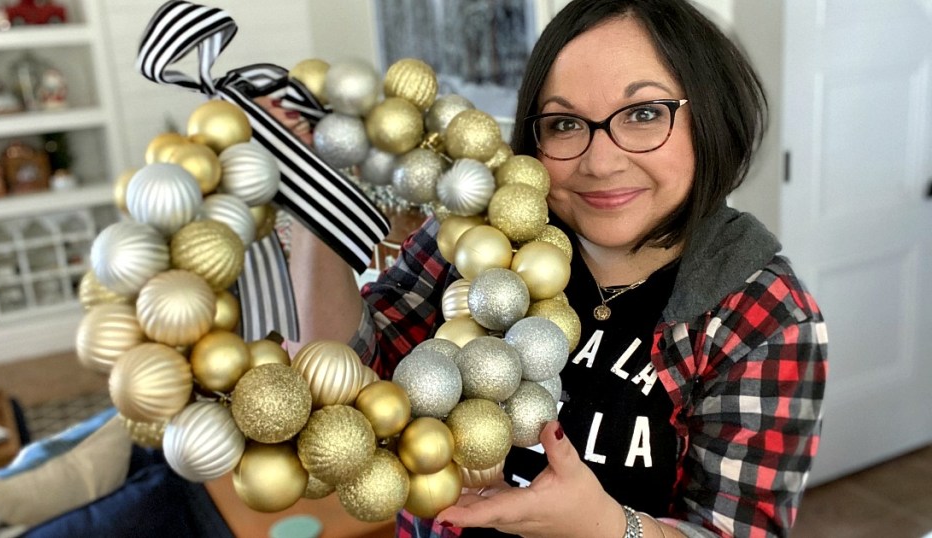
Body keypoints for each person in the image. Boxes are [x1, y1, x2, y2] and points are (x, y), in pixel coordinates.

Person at [270, 1, 828, 536]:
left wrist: (604, 530)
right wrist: (314, 195)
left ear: (710, 114)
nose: (600, 162)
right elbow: (343, 373)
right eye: (563, 124)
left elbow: (734, 531)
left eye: (643, 114)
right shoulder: (478, 235)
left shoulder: (764, 313)